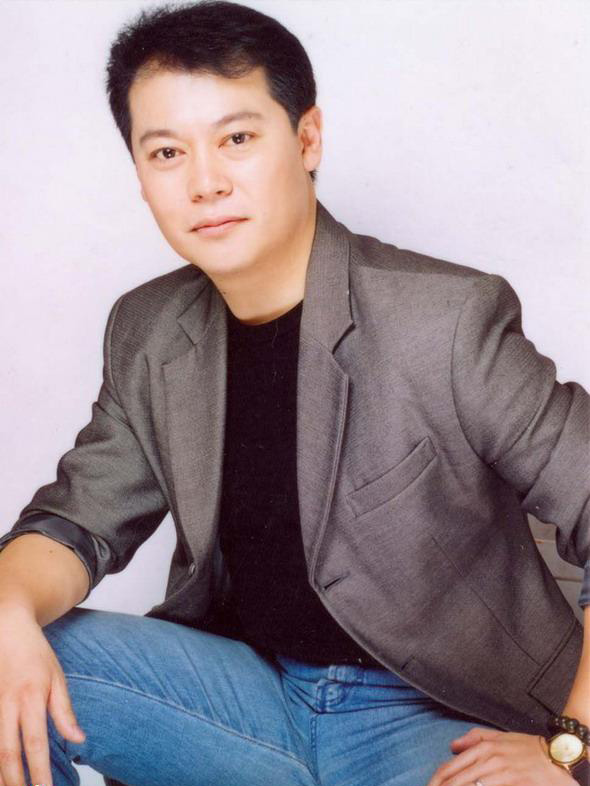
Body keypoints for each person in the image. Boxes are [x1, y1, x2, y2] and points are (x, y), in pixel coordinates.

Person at [0, 2, 588, 785]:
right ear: (140, 176)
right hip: (245, 701)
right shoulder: (150, 330)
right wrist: (7, 610)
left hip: (443, 721)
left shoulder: (444, 320)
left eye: (237, 139)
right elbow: (76, 523)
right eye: (168, 152)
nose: (206, 183)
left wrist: (570, 744)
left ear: (307, 139)